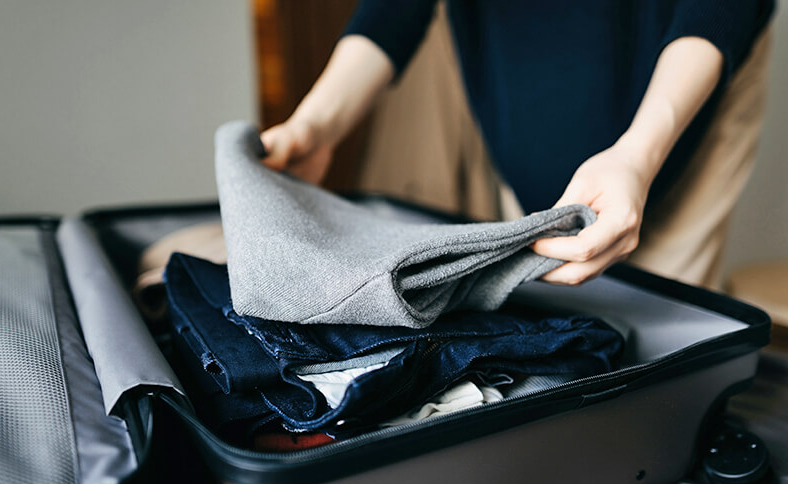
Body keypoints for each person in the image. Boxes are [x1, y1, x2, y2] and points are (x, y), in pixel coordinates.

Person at [259, 1, 774, 286]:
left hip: (683, 83)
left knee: (664, 345)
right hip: (524, 106)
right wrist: (315, 124)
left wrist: (640, 152)